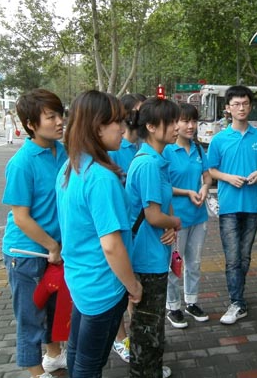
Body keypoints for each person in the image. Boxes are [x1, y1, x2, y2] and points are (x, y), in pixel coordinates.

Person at [56, 90, 143, 377]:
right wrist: (133, 286)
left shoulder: (71, 166)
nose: (122, 128)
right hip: (103, 284)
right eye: (116, 121)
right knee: (90, 364)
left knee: (78, 353)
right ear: (97, 127)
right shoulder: (101, 178)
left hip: (81, 278)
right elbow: (111, 246)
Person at [1, 89, 68, 378]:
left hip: (54, 249)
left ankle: (54, 356)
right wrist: (52, 246)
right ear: (30, 124)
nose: (59, 121)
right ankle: (36, 372)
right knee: (30, 316)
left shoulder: (62, 152)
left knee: (53, 309)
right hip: (26, 253)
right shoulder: (22, 163)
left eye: (60, 115)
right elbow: (21, 217)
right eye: (50, 117)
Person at [125, 97, 181, 378]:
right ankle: (145, 372)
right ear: (150, 126)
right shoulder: (147, 164)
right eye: (170, 122)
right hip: (146, 256)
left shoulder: (157, 160)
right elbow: (153, 216)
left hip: (154, 251)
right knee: (147, 324)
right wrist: (175, 223)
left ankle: (151, 369)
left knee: (152, 321)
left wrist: (169, 224)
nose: (177, 127)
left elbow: (161, 204)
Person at [207, 85, 257, 324]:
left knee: (244, 257)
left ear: (250, 106)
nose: (241, 108)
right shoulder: (219, 139)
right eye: (236, 104)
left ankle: (239, 296)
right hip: (229, 206)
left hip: (253, 205)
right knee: (233, 257)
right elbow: (211, 170)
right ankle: (236, 302)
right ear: (228, 108)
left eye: (245, 104)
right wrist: (227, 177)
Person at [163, 103, 213, 328]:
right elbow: (163, 185)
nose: (191, 126)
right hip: (176, 219)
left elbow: (207, 176)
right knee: (175, 264)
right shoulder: (166, 151)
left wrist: (204, 188)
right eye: (185, 121)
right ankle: (173, 306)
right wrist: (187, 192)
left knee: (194, 262)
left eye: (194, 121)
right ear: (175, 123)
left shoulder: (199, 149)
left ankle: (191, 302)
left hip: (199, 217)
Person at [107, 93, 144, 363]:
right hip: (119, 227)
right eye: (140, 111)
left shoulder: (143, 147)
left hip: (141, 227)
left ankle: (136, 334)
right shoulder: (112, 150)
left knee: (134, 287)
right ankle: (120, 339)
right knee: (120, 283)